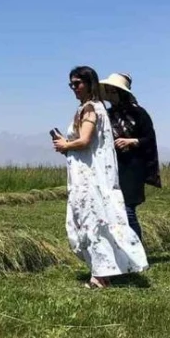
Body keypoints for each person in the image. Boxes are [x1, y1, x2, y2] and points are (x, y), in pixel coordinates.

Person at [52, 66, 148, 289]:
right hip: (89, 172)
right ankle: (106, 268)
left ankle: (100, 275)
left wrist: (66, 144)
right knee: (97, 219)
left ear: (89, 84)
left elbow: (85, 140)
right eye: (71, 85)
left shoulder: (90, 108)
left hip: (89, 177)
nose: (74, 88)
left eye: (77, 84)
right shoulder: (96, 108)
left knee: (92, 219)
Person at [100, 73, 162, 241]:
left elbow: (149, 139)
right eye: (108, 91)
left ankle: (137, 249)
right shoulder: (108, 115)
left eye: (113, 91)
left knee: (127, 209)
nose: (110, 95)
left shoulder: (139, 113)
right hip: (113, 166)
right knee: (115, 210)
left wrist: (131, 141)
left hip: (133, 167)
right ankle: (124, 249)